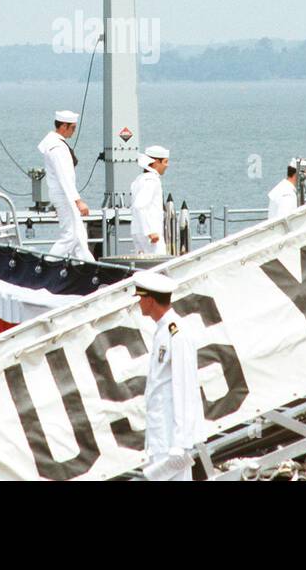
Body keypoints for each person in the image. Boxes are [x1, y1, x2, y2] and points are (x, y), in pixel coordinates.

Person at [134, 270, 201, 481]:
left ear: (150, 300)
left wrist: (180, 443)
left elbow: (185, 388)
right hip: (160, 438)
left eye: (141, 298)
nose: (139, 303)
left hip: (171, 440)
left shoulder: (177, 334)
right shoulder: (163, 331)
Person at [37, 110, 92, 261]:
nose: (74, 131)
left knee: (79, 237)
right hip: (64, 196)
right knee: (70, 236)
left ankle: (88, 268)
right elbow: (64, 177)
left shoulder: (55, 143)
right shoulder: (57, 147)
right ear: (63, 126)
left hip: (63, 195)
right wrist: (78, 201)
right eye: (73, 127)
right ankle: (46, 264)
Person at [129, 145, 169, 255]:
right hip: (151, 234)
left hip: (138, 230)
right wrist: (150, 232)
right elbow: (139, 206)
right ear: (156, 162)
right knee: (159, 266)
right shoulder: (151, 180)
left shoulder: (139, 179)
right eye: (165, 162)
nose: (167, 165)